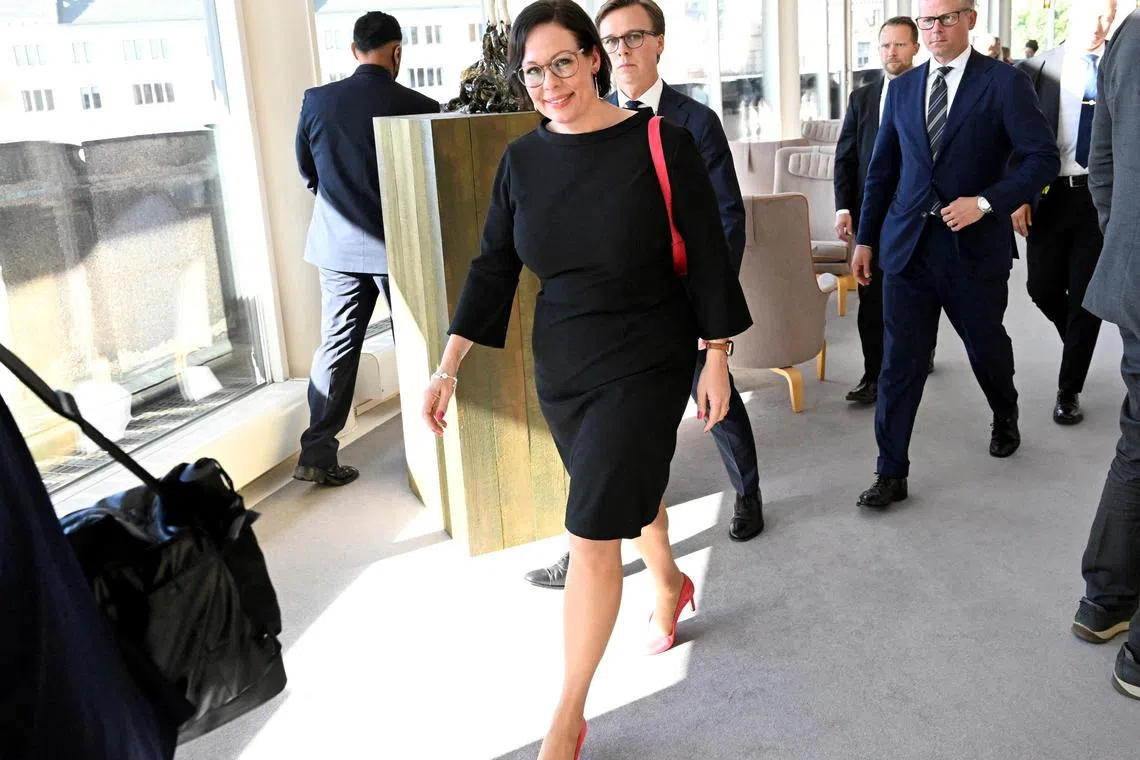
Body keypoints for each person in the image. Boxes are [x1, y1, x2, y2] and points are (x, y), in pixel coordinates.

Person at [421, 2, 752, 756]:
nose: (549, 83)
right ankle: (668, 580)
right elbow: (493, 266)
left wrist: (717, 356)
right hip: (565, 363)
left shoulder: (661, 142)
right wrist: (448, 367)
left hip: (649, 355)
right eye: (533, 71)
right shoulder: (522, 162)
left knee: (591, 530)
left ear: (594, 58)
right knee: (623, 493)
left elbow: (707, 253)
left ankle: (566, 718)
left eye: (563, 62)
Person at [523, 0, 761, 592]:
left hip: (681, 308)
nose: (623, 50)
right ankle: (589, 540)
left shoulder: (693, 122)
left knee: (717, 405)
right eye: (611, 40)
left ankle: (747, 493)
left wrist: (709, 317)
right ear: (596, 53)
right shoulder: (579, 120)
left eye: (634, 37)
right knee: (603, 445)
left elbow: (724, 221)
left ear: (659, 42)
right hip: (612, 324)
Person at [851, 0, 1059, 509]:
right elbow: (882, 171)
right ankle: (890, 471)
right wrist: (866, 239)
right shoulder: (903, 88)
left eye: (947, 18)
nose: (936, 28)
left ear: (970, 19)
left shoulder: (1005, 82)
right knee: (900, 363)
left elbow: (1042, 159)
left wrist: (985, 203)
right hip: (907, 248)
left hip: (973, 247)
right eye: (927, 20)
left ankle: (1004, 412)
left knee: (984, 346)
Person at [293, 12, 440, 487]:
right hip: (400, 248)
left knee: (336, 348)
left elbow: (308, 172)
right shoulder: (420, 106)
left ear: (355, 51)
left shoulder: (317, 100)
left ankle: (316, 453)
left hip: (337, 248)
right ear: (397, 52)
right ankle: (429, 452)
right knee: (417, 346)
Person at [1073, 5, 1140, 700]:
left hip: (1134, 280)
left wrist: (1127, 245)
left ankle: (1105, 601)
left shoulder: (1130, 35)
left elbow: (1103, 167)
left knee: (1139, 440)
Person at [1013, 0, 1117, 425]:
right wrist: (1018, 194)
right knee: (1042, 287)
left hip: (1100, 197)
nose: (1098, 24)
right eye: (1091, 13)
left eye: (1107, 15)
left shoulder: (1122, 64)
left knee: (1086, 297)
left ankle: (1068, 389)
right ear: (1073, 12)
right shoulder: (1036, 69)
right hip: (1049, 194)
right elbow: (1015, 137)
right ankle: (1076, 340)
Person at [834, 16, 925, 405]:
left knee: (914, 296)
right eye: (886, 45)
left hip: (917, 215)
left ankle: (916, 357)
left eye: (900, 44)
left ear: (916, 48)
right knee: (870, 298)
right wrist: (843, 207)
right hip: (872, 214)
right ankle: (874, 377)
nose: (892, 52)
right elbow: (846, 157)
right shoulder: (863, 98)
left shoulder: (930, 93)